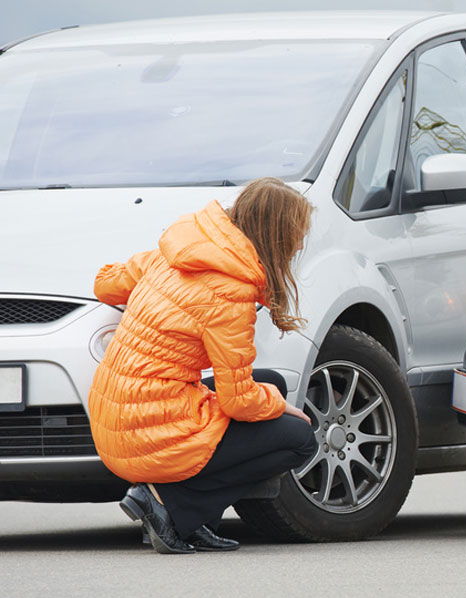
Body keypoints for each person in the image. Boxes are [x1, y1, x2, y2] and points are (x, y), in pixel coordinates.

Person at [88, 177, 318, 554]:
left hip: (114, 413)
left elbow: (105, 284)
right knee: (298, 438)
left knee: (271, 380)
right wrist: (280, 404)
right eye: (297, 237)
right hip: (148, 430)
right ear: (278, 237)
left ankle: (189, 519)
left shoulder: (180, 250)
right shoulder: (231, 293)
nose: (298, 246)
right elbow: (238, 401)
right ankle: (170, 506)